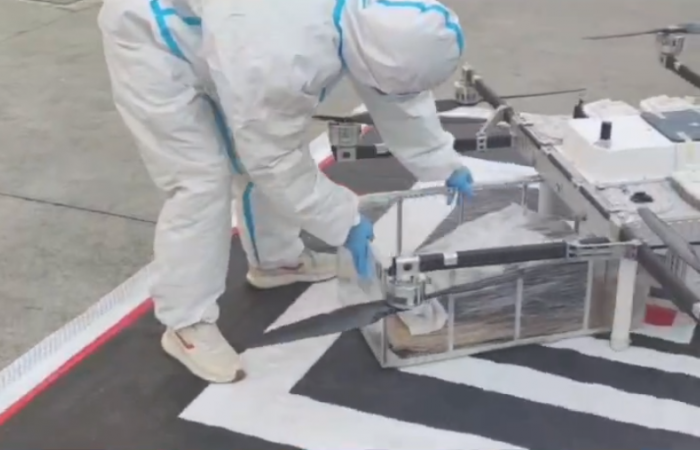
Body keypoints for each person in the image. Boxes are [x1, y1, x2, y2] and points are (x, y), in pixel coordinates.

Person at [97, 0, 474, 383]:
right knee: (201, 180)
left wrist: (442, 162)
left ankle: (276, 262)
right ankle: (185, 323)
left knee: (261, 150)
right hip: (155, 38)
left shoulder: (378, 22)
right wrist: (342, 219)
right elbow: (272, 158)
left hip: (225, 32)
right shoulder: (283, 51)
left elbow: (397, 94)